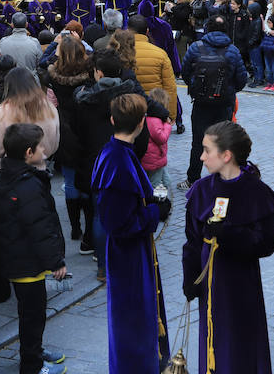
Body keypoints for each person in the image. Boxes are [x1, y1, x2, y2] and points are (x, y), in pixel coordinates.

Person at [182, 120, 274, 374]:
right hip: (210, 281)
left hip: (240, 281)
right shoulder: (201, 190)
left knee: (241, 341)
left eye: (207, 150)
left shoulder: (256, 192)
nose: (201, 157)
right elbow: (192, 239)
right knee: (213, 340)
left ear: (226, 156)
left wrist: (230, 235)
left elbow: (267, 243)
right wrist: (190, 275)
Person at [93, 94, 172, 374]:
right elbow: (118, 223)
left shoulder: (116, 153)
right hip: (128, 254)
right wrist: (154, 213)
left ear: (113, 120)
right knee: (134, 316)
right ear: (141, 124)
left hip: (133, 250)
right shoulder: (118, 162)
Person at [0, 123, 68, 374]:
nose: (44, 149)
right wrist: (56, 262)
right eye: (40, 146)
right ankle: (32, 365)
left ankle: (34, 351)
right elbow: (40, 228)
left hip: (19, 258)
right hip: (27, 262)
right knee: (33, 316)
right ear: (28, 152)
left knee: (31, 314)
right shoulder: (27, 186)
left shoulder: (11, 174)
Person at [179, 15, 248, 189]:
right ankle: (223, 177)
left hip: (201, 103)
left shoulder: (196, 48)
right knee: (224, 141)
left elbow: (185, 73)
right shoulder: (232, 50)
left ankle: (192, 178)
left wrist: (196, 88)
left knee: (198, 142)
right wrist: (230, 91)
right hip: (224, 103)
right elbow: (241, 79)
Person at [47, 35, 95, 241]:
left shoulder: (52, 74)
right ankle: (89, 229)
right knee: (87, 178)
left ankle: (75, 227)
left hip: (64, 127)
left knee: (69, 180)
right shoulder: (90, 73)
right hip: (87, 125)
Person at [0, 67, 60, 166]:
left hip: (13, 172)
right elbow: (55, 143)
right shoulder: (49, 107)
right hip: (41, 166)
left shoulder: (3, 112)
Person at [142, 86, 173, 197]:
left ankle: (165, 201)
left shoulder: (149, 118)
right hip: (154, 161)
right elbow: (161, 138)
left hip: (156, 159)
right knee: (155, 185)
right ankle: (158, 205)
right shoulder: (154, 121)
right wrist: (168, 125)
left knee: (166, 181)